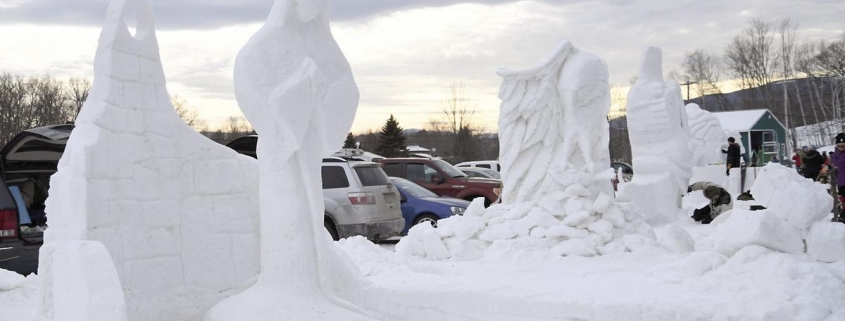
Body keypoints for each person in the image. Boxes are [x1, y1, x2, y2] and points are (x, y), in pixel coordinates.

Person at [831, 133, 845, 214]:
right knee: (842, 197)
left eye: (842, 146)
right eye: (838, 146)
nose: (840, 148)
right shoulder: (835, 154)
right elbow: (834, 164)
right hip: (840, 180)